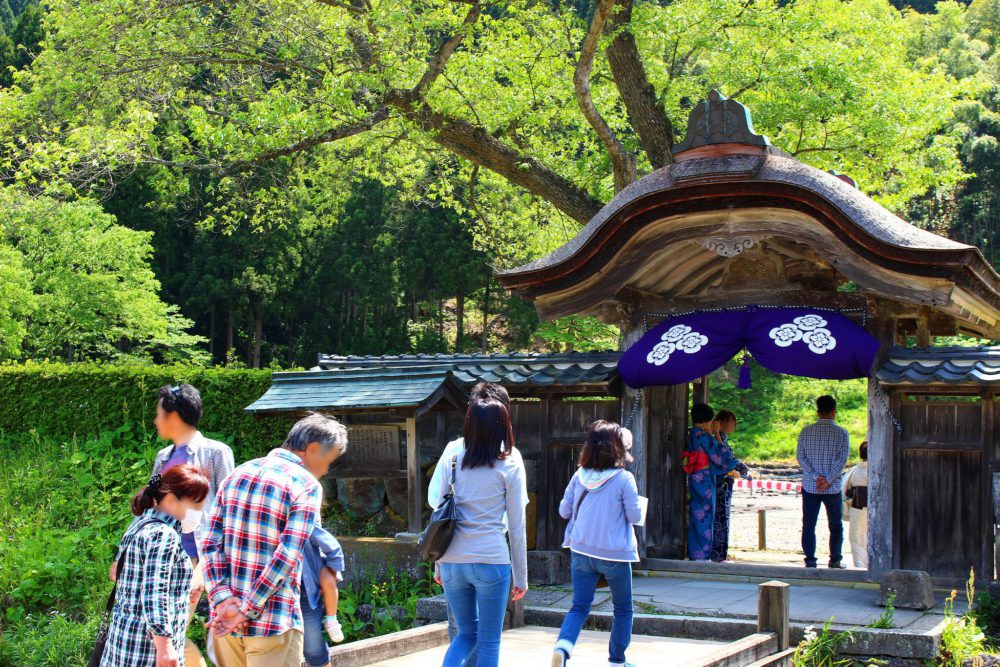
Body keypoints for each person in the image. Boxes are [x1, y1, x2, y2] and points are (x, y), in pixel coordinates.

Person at [202, 413, 348, 667]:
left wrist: (222, 598)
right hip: (272, 620)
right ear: (313, 448)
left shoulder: (237, 474)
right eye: (329, 461)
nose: (326, 470)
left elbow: (210, 543)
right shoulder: (306, 484)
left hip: (226, 620)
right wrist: (247, 609)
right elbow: (286, 556)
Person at [109, 383, 236, 667]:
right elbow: (148, 506)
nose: (155, 420)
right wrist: (122, 556)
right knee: (169, 628)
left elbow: (228, 512)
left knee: (170, 629)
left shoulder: (216, 453)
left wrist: (205, 571)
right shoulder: (163, 457)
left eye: (158, 414)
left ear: (173, 416)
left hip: (196, 557)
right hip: (160, 554)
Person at [427, 381, 529, 667]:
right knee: (489, 642)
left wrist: (438, 565)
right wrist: (521, 577)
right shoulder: (510, 464)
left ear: (469, 424)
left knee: (465, 635)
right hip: (491, 560)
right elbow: (517, 526)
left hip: (452, 562)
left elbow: (440, 516)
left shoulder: (453, 460)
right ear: (503, 426)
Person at [551, 421, 643, 667]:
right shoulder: (624, 478)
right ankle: (617, 661)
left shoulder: (579, 475)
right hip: (615, 554)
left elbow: (564, 511)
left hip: (581, 550)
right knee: (622, 608)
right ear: (617, 447)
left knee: (579, 606)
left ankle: (563, 647)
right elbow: (635, 516)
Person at [101, 464, 211, 667]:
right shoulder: (164, 535)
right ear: (170, 499)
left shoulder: (140, 523)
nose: (198, 514)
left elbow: (137, 585)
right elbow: (154, 592)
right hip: (147, 650)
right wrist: (165, 647)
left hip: (124, 641)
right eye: (195, 507)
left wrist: (182, 592)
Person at [684, 403, 751, 561]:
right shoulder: (704, 437)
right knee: (705, 516)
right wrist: (715, 434)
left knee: (695, 514)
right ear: (707, 420)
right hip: (705, 479)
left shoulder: (691, 434)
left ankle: (694, 552)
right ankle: (701, 554)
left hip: (694, 477)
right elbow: (722, 457)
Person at [797, 395, 850, 569]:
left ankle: (810, 561)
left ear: (817, 411)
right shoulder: (842, 433)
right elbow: (842, 460)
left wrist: (815, 477)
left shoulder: (806, 431)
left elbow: (801, 457)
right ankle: (835, 560)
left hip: (810, 487)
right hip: (832, 488)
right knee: (835, 525)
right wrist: (828, 480)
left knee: (809, 524)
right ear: (834, 411)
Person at [300, 526, 346, 667]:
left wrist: (332, 569)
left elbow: (333, 548)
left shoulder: (305, 522)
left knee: (313, 648)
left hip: (305, 592)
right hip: (276, 594)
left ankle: (331, 619)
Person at [710, 410, 746, 563]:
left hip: (724, 485)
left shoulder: (721, 436)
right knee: (719, 519)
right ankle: (717, 555)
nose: (734, 425)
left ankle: (720, 554)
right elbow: (723, 458)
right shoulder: (715, 436)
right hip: (719, 484)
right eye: (732, 421)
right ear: (722, 422)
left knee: (722, 519)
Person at [843, 441, 869, 569]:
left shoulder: (855, 470)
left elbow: (845, 489)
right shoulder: (879, 469)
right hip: (877, 509)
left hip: (857, 507)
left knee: (857, 538)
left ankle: (860, 566)